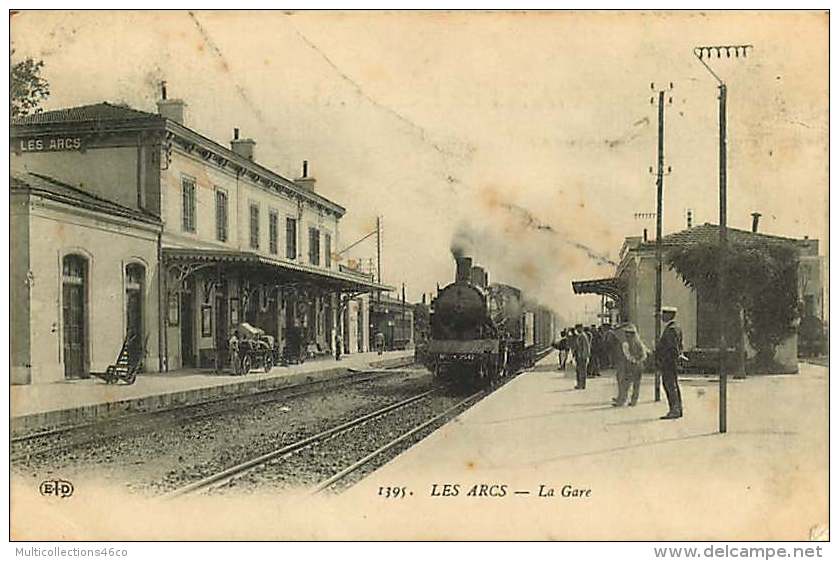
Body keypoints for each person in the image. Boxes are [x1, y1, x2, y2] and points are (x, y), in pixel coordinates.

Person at [655, 306, 684, 419]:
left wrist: (664, 361)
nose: (662, 316)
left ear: (668, 315)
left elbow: (673, 348)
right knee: (673, 385)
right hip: (671, 362)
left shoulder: (671, 329)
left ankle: (674, 410)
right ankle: (677, 409)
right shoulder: (676, 327)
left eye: (663, 314)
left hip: (669, 362)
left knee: (670, 385)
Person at [613, 323, 649, 406]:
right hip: (638, 365)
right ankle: (633, 400)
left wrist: (634, 360)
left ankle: (623, 400)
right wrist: (639, 360)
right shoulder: (639, 343)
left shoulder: (625, 343)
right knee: (636, 384)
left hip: (630, 365)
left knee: (626, 383)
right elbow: (644, 354)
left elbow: (627, 355)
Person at [571, 324, 590, 390]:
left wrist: (585, 356)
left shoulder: (583, 336)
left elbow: (586, 347)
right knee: (579, 370)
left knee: (582, 371)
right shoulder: (580, 336)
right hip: (579, 356)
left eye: (578, 328)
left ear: (581, 328)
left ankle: (582, 385)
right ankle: (580, 384)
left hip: (582, 356)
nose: (577, 330)